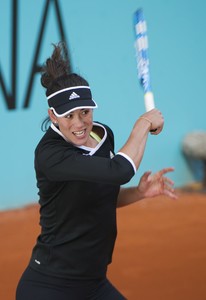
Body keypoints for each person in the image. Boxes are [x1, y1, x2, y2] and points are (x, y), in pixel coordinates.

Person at [16, 42, 177, 300]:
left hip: (93, 284)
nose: (79, 123)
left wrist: (139, 193)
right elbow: (121, 170)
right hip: (50, 287)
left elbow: (98, 197)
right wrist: (144, 122)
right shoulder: (50, 155)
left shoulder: (102, 135)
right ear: (53, 115)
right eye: (68, 116)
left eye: (84, 112)